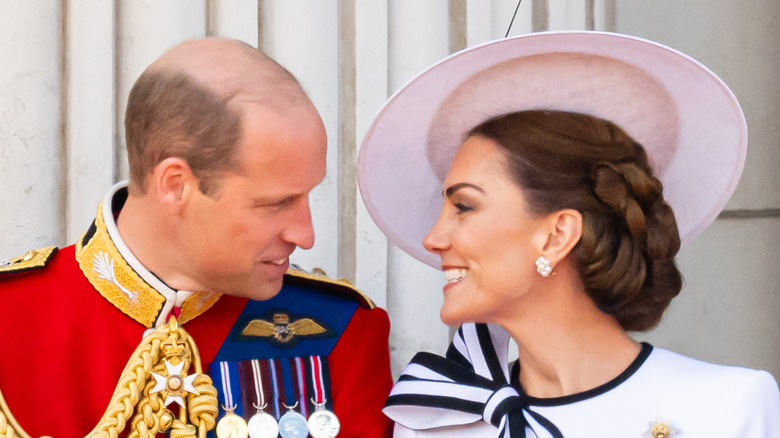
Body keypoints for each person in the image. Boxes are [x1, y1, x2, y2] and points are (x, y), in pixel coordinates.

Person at [357, 32, 780, 437]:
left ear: (558, 234)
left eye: (463, 207)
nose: (433, 239)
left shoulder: (726, 409)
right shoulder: (434, 422)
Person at [0, 38, 393, 438]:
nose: (305, 235)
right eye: (275, 203)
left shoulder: (340, 331)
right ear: (175, 185)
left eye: (309, 195)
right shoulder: (9, 316)